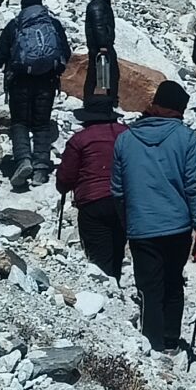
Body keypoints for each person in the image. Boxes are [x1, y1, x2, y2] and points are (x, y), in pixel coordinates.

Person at [109, 79, 196, 353]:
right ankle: (170, 341)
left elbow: (118, 191)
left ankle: (150, 344)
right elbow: (194, 187)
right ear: (179, 109)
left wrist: (127, 222)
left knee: (148, 287)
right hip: (177, 226)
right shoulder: (186, 138)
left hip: (141, 226)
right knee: (173, 282)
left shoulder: (125, 139)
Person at [0, 0, 71, 191]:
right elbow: (65, 51)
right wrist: (56, 70)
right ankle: (40, 169)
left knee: (20, 122)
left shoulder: (16, 25)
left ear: (23, 7)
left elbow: (0, 52)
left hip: (19, 81)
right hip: (47, 81)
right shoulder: (52, 24)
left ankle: (23, 160)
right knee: (41, 124)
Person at [54, 95, 127, 280]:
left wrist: (62, 187)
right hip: (125, 200)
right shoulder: (127, 134)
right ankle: (116, 279)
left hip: (92, 202)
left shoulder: (80, 139)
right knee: (118, 245)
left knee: (98, 254)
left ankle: (105, 287)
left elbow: (66, 176)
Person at [83, 0, 120, 103]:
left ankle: (92, 100)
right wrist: (103, 45)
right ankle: (110, 100)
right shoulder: (97, 5)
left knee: (96, 73)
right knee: (109, 74)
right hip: (100, 46)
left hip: (101, 44)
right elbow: (98, 26)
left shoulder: (102, 3)